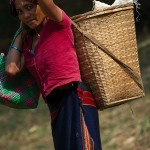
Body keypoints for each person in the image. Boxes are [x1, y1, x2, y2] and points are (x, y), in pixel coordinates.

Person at [6, 0, 102, 149]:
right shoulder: (28, 42)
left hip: (76, 99)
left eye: (29, 7)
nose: (26, 15)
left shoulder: (57, 22)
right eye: (20, 12)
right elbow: (11, 69)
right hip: (56, 108)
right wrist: (21, 31)